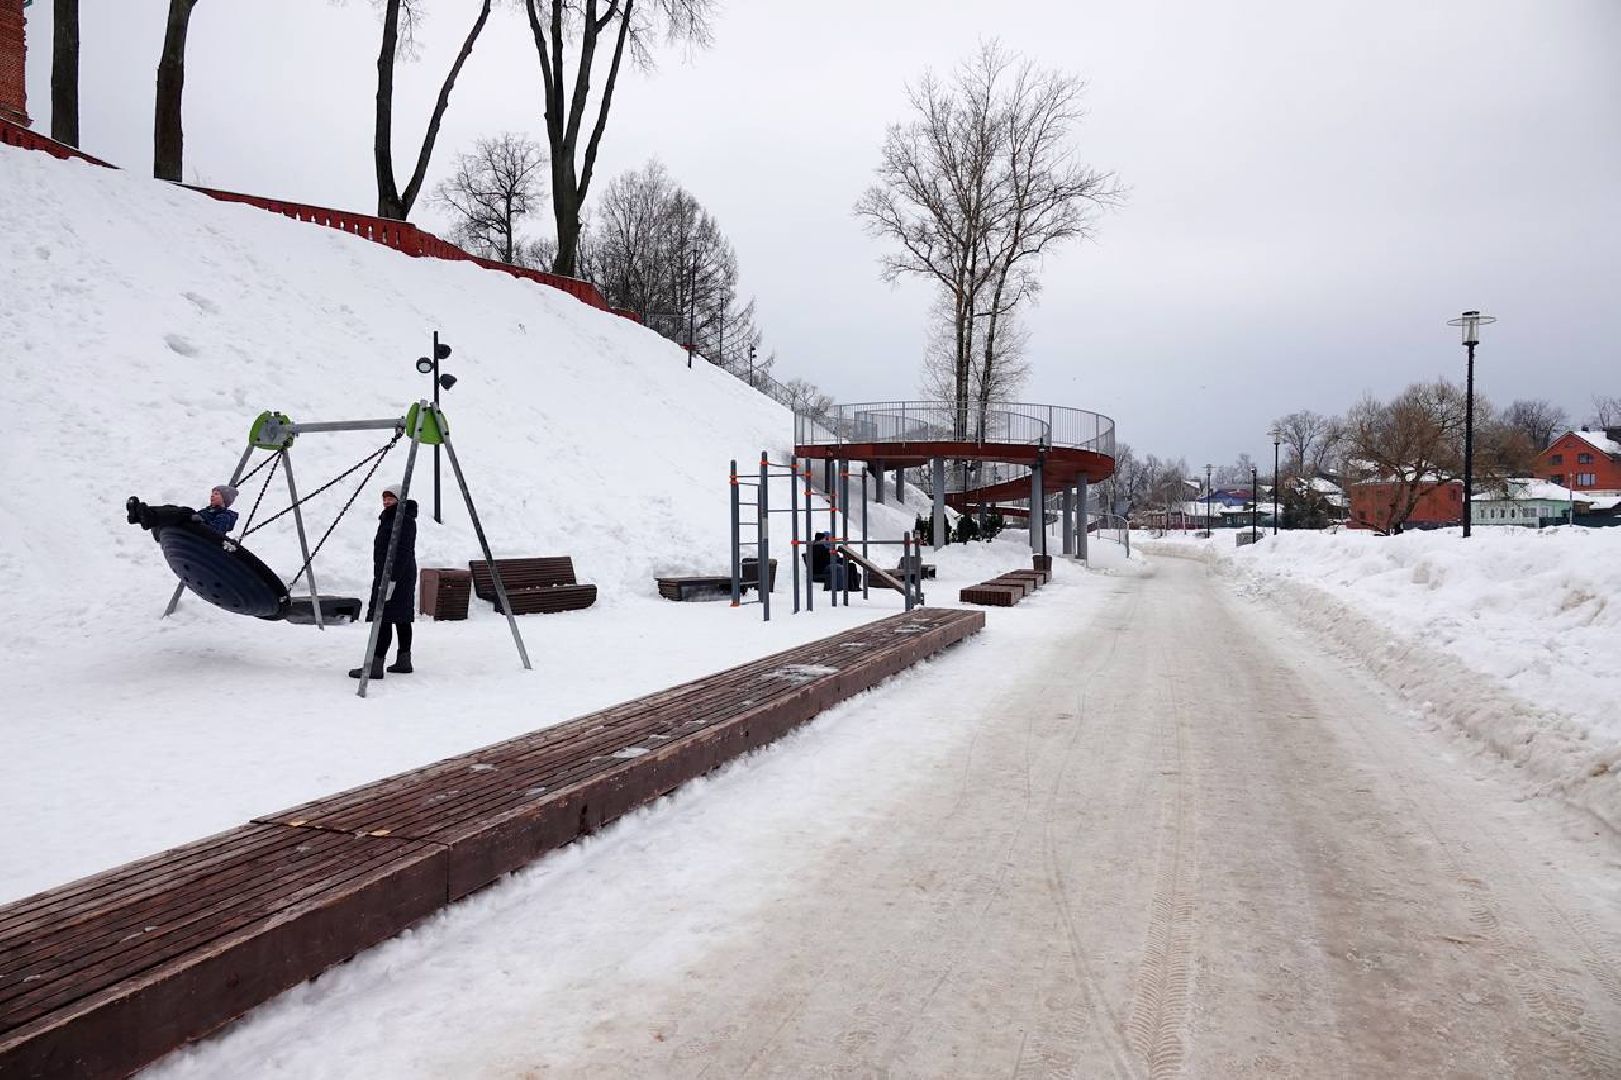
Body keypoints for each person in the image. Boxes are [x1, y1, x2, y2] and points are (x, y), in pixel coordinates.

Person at [350, 483, 418, 680]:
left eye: (391, 498)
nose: (386, 501)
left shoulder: (402, 520)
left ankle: (375, 665)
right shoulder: (393, 517)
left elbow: (403, 551)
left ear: (399, 499)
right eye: (384, 498)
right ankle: (404, 661)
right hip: (396, 574)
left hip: (395, 575)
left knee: (384, 618)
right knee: (400, 616)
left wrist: (392, 580)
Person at [125, 484, 239, 537]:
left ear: (225, 498)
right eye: (212, 494)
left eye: (216, 494)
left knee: (186, 512)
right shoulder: (207, 511)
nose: (212, 496)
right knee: (173, 509)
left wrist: (201, 521)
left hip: (202, 537)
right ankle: (140, 515)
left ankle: (148, 517)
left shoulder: (225, 515)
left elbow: (216, 533)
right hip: (192, 531)